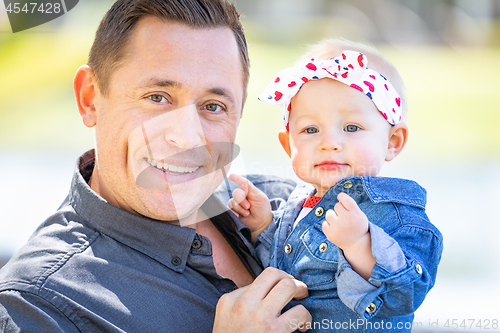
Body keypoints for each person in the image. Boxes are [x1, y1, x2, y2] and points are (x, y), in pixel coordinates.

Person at [0, 0, 312, 332]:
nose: (187, 138)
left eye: (213, 106)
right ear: (90, 97)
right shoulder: (36, 305)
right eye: (157, 97)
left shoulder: (288, 209)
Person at [228, 39, 443, 332]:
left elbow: (408, 293)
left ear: (392, 142)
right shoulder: (299, 205)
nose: (329, 143)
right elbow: (282, 266)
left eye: (351, 128)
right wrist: (263, 225)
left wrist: (360, 245)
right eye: (310, 130)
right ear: (288, 145)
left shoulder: (393, 215)